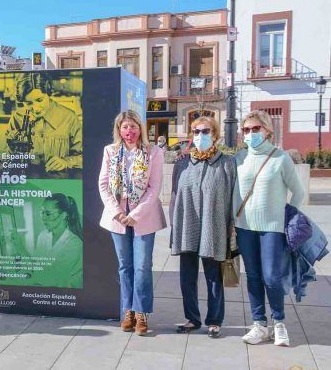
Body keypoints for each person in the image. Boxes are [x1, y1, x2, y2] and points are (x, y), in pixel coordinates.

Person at [235, 110, 304, 347]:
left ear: (267, 131)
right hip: (244, 227)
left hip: (272, 228)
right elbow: (236, 194)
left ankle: (279, 323)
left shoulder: (280, 157)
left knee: (272, 277)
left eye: (256, 129)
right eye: (246, 130)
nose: (251, 133)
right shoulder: (239, 158)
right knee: (253, 276)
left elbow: (299, 191)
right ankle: (259, 324)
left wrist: (287, 218)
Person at [98, 110, 166, 336]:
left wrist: (134, 214)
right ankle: (128, 310)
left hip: (143, 217)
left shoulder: (153, 152)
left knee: (142, 267)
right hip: (117, 218)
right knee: (125, 266)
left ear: (141, 129)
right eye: (125, 127)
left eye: (134, 126)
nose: (130, 131)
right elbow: (104, 185)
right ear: (119, 130)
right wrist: (117, 212)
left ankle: (142, 312)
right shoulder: (110, 151)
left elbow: (154, 188)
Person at [170, 116, 237, 338]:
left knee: (213, 277)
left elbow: (232, 200)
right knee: (187, 277)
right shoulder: (182, 163)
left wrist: (231, 230)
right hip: (187, 226)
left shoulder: (227, 163)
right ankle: (192, 318)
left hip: (214, 227)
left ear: (215, 135)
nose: (200, 136)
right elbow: (174, 197)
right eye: (196, 132)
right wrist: (174, 227)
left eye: (205, 131)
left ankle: (214, 320)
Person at [4, 73, 82, 176]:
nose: (35, 108)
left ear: (49, 94)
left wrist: (66, 162)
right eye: (28, 103)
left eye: (39, 100)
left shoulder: (70, 118)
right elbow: (6, 156)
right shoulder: (17, 118)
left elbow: (85, 156)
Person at [34, 193, 83, 288]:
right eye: (42, 213)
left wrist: (21, 248)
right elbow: (37, 266)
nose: (43, 218)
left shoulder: (75, 243)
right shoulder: (42, 236)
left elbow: (53, 278)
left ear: (63, 215)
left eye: (48, 213)